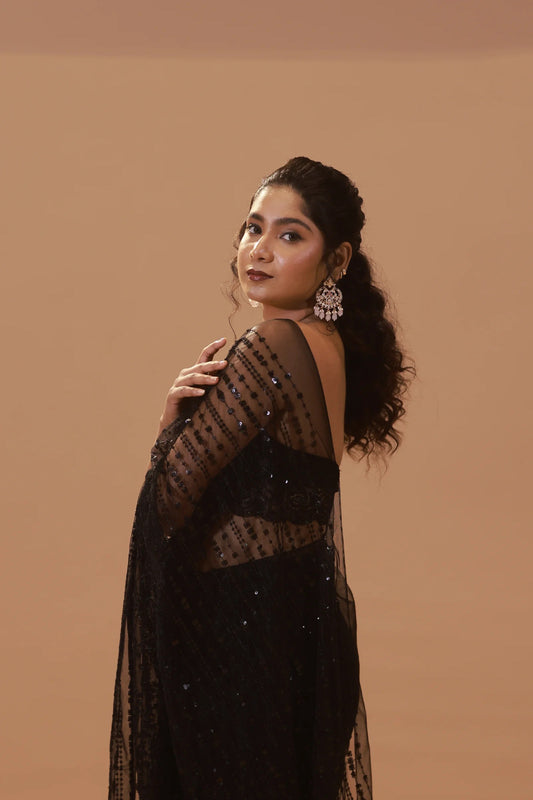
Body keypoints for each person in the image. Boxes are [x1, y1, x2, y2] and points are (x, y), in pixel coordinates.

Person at [108, 156, 415, 800]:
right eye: (253, 228)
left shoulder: (272, 344)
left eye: (290, 234)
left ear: (337, 261)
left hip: (245, 634)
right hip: (299, 625)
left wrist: (169, 426)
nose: (260, 249)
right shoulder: (324, 346)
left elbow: (169, 501)